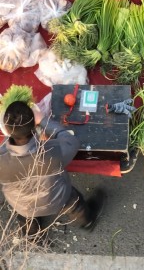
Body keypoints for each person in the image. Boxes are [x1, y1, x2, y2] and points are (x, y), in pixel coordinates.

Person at [0, 102, 105, 239]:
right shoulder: (53, 151)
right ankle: (87, 222)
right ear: (34, 127)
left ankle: (32, 237)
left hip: (22, 205)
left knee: (26, 218)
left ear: (6, 131)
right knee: (74, 204)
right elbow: (71, 141)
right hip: (57, 199)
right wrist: (43, 120)